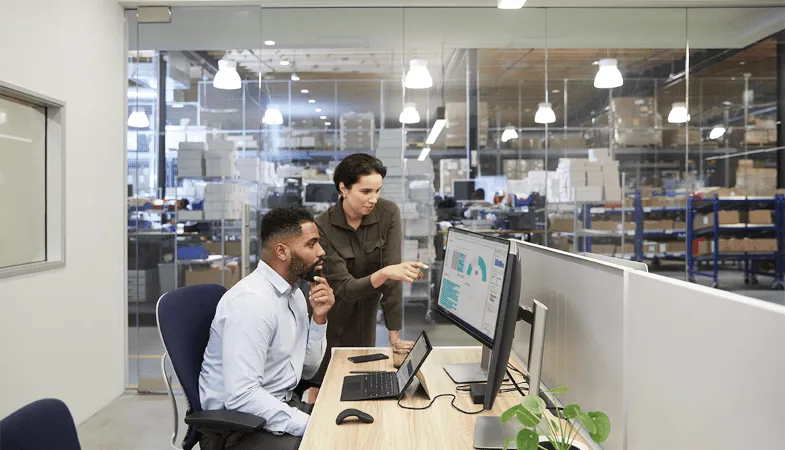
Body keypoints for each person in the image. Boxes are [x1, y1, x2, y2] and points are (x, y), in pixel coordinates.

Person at [198, 206, 335, 450]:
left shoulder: (293, 295)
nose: (321, 252)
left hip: (276, 407)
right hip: (238, 427)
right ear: (282, 251)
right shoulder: (252, 303)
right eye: (311, 244)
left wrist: (319, 320)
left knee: (352, 430)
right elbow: (242, 396)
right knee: (334, 442)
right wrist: (310, 424)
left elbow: (306, 369)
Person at [312, 153, 426, 387]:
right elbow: (344, 288)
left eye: (378, 191)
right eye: (366, 192)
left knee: (362, 377)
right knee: (327, 381)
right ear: (343, 188)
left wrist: (394, 334)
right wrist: (384, 273)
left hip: (366, 315)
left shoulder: (388, 213)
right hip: (331, 314)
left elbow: (394, 275)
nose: (374, 199)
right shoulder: (322, 226)